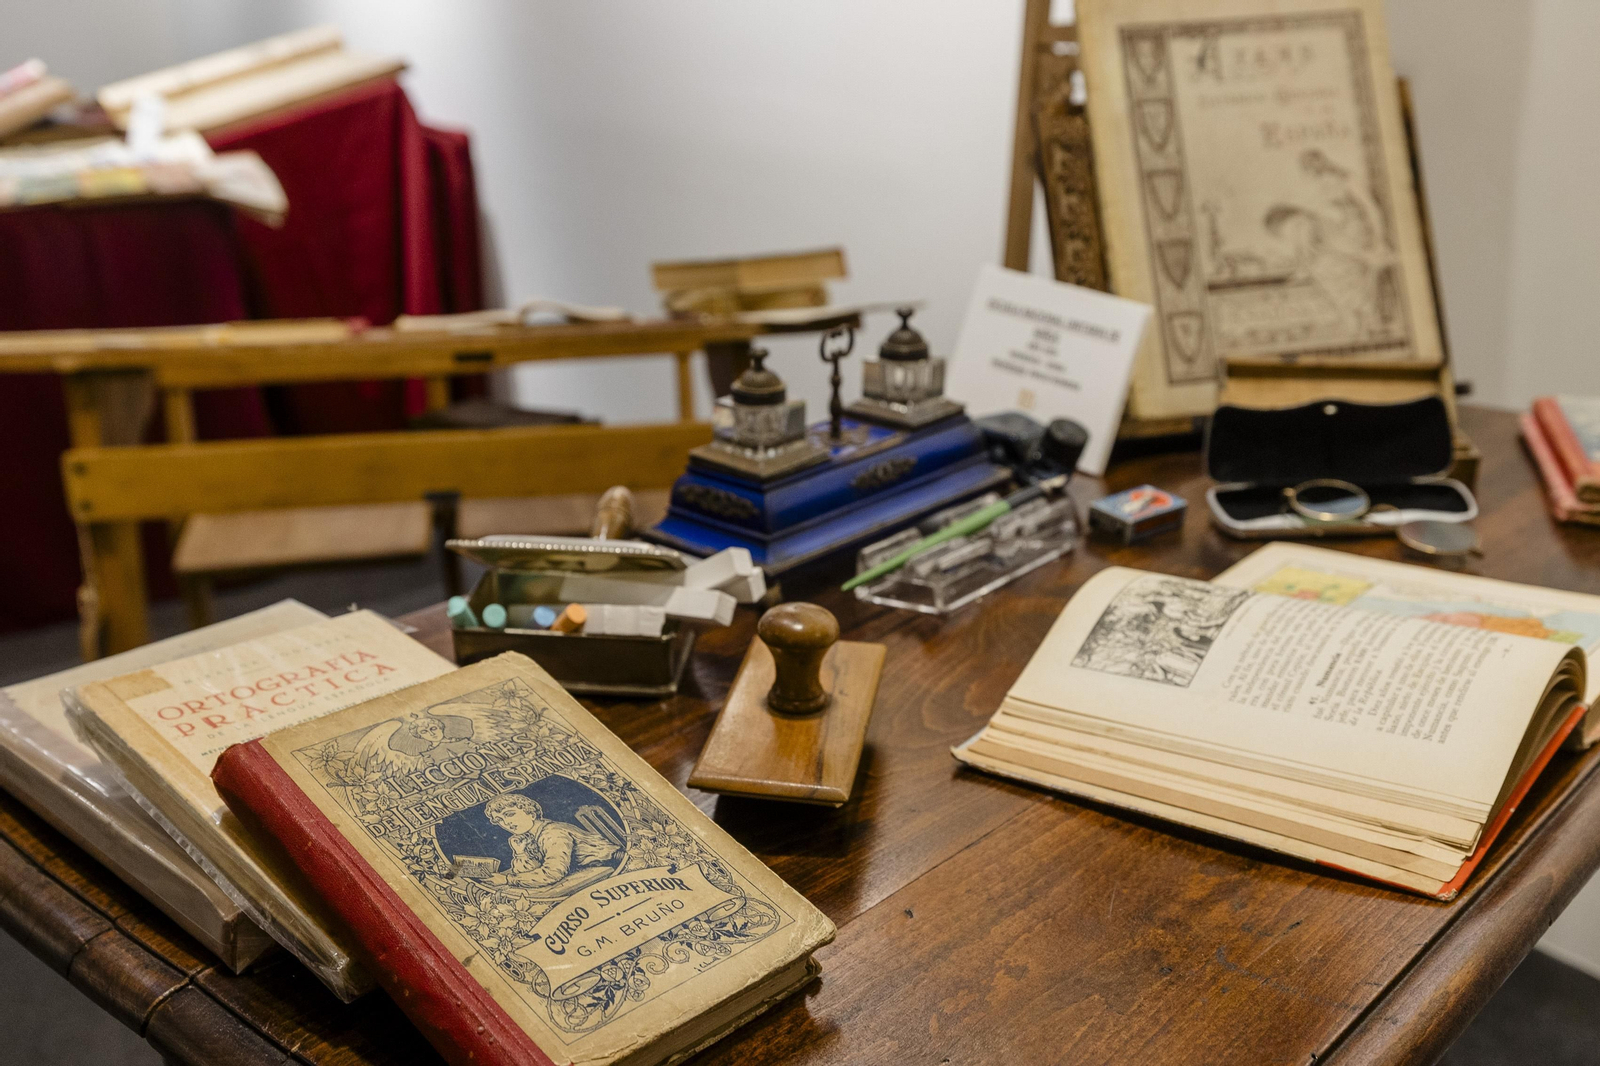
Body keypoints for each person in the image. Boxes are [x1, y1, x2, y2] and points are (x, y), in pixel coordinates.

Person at [480, 793, 619, 889]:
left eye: (509, 814)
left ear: (531, 813)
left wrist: (507, 880)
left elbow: (552, 873)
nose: (506, 823)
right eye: (499, 820)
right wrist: (520, 853)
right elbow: (528, 871)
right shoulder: (527, 838)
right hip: (588, 873)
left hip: (614, 864)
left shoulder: (552, 833)